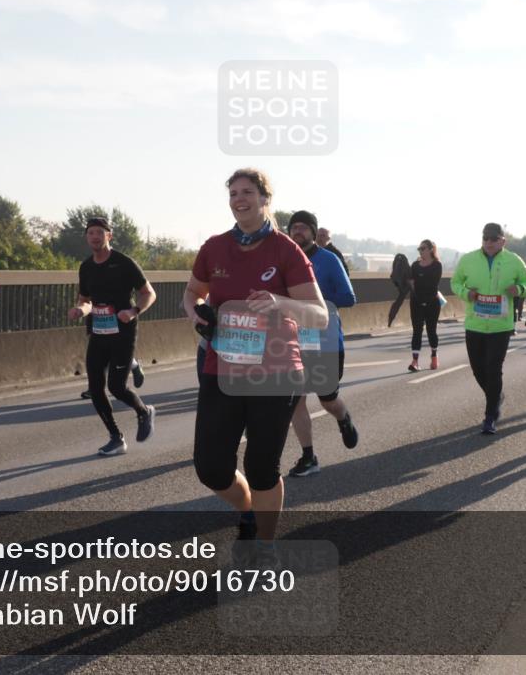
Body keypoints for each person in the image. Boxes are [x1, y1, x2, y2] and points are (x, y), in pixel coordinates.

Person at [184, 169, 328, 559]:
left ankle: (265, 542)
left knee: (262, 466)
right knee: (210, 467)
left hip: (277, 372)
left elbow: (319, 315)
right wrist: (195, 313)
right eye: (233, 192)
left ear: (265, 199)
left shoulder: (285, 249)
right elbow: (193, 293)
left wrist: (281, 303)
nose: (238, 198)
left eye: (247, 192)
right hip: (222, 368)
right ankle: (246, 510)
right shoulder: (214, 247)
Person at [68, 217, 157, 456]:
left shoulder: (124, 263)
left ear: (109, 236)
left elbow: (148, 293)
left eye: (99, 232)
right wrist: (80, 310)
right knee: (95, 389)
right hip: (98, 332)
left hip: (123, 333)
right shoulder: (86, 266)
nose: (95, 237)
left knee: (116, 387)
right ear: (87, 238)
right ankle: (116, 438)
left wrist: (134, 311)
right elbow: (86, 300)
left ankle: (143, 412)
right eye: (90, 233)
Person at [285, 210, 358, 477]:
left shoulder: (329, 260)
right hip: (293, 342)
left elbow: (349, 297)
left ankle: (343, 417)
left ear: (314, 233)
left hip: (325, 343)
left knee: (328, 400)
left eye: (303, 228)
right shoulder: (285, 259)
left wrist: (314, 303)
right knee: (295, 401)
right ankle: (309, 456)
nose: (297, 232)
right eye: (294, 227)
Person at [450, 222, 526, 434]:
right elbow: (455, 282)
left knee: (493, 368)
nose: (488, 242)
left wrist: (520, 289)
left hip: (500, 326)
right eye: (485, 238)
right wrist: (465, 293)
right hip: (475, 324)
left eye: (493, 239)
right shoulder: (468, 260)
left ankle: (490, 416)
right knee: (478, 369)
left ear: (502, 241)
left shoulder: (513, 261)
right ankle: (495, 396)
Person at [408, 240, 443, 371]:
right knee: (417, 331)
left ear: (431, 249)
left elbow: (433, 285)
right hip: (416, 302)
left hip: (432, 302)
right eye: (419, 249)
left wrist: (424, 298)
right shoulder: (415, 265)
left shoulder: (437, 265)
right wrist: (409, 283)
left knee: (431, 331)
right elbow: (411, 283)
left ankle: (434, 356)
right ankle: (415, 361)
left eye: (423, 248)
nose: (420, 251)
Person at [387, 253, 411, 327]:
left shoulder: (396, 266)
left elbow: (393, 277)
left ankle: (390, 319)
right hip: (407, 284)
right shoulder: (407, 267)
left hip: (402, 286)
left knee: (398, 302)